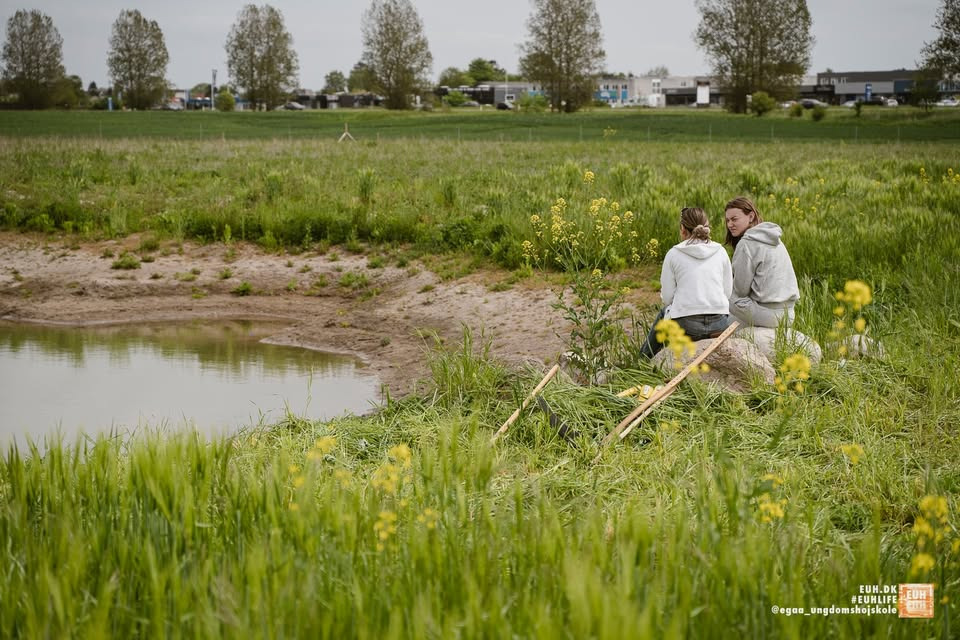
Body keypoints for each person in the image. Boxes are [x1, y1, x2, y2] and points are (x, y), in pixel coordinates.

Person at [640, 207, 732, 358]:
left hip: (687, 326)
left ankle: (644, 359)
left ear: (682, 229)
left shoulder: (674, 253)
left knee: (665, 313)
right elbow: (727, 292)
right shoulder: (720, 251)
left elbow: (668, 298)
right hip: (719, 322)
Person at [724, 196, 799, 328]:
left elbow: (740, 291)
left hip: (768, 316)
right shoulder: (774, 238)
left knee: (725, 295)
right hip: (789, 315)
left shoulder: (747, 243)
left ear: (751, 216)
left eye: (734, 219)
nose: (730, 224)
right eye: (727, 220)